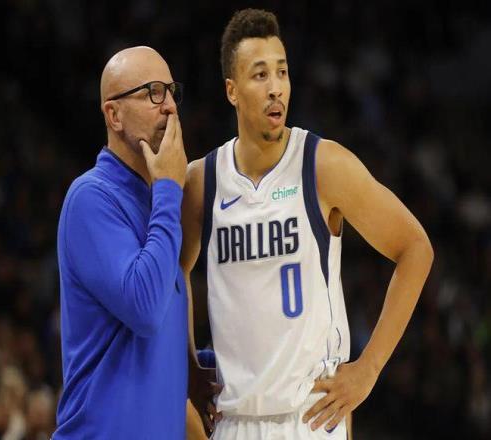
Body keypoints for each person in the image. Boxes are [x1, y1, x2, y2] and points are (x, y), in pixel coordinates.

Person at [181, 9, 434, 440]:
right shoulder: (202, 181)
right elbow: (174, 273)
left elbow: (415, 248)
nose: (276, 87)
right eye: (260, 74)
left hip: (310, 417)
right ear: (232, 91)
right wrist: (187, 363)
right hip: (232, 421)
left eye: (282, 72)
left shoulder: (323, 165)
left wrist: (369, 369)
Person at [53, 46, 189, 439]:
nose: (170, 107)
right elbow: (144, 308)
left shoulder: (157, 203)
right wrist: (169, 188)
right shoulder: (90, 198)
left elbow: (155, 346)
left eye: (171, 92)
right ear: (113, 115)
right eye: (153, 93)